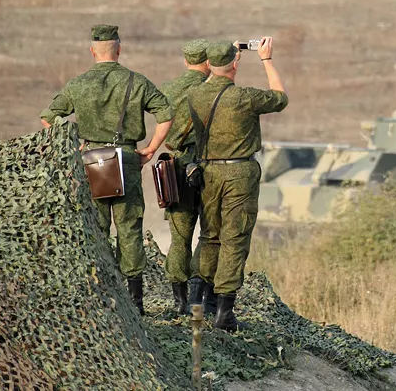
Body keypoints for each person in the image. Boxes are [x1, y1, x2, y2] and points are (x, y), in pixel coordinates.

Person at [40, 24, 174, 316]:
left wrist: (76, 148)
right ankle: (136, 301)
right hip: (126, 157)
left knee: (97, 228)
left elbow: (48, 118)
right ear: (119, 49)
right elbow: (166, 114)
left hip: (93, 160)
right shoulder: (136, 82)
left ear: (92, 52)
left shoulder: (78, 84)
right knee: (129, 227)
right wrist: (150, 149)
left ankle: (101, 295)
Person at [187, 37, 288, 331]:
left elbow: (209, 81)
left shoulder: (195, 95)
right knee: (235, 237)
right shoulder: (244, 97)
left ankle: (198, 301)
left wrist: (222, 57)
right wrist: (266, 59)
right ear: (234, 64)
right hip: (239, 174)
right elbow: (280, 97)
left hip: (208, 173)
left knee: (209, 236)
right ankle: (224, 311)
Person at [158, 38, 211, 315]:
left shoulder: (168, 89)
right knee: (209, 234)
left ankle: (179, 302)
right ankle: (198, 295)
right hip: (210, 167)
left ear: (185, 61)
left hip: (177, 168)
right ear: (209, 61)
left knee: (179, 237)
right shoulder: (212, 90)